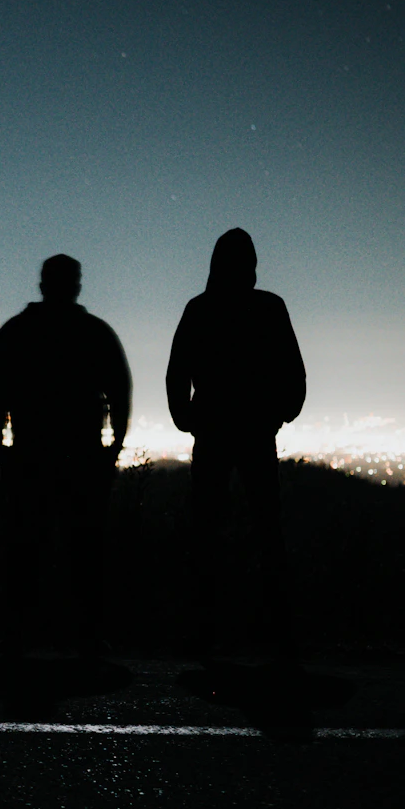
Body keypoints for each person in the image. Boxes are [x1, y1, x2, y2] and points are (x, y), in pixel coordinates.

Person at [166, 228, 307, 659]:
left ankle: (203, 630)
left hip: (213, 431)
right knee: (267, 531)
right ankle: (278, 634)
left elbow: (177, 373)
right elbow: (294, 373)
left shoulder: (200, 308)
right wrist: (279, 415)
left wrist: (187, 419)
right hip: (253, 432)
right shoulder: (269, 307)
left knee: (207, 530)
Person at [0, 254, 131, 654]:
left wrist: (0, 445)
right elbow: (118, 390)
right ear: (76, 285)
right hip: (80, 455)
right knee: (83, 547)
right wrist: (113, 446)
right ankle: (84, 634)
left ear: (41, 283)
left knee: (26, 546)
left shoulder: (17, 331)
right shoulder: (94, 332)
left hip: (31, 455)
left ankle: (23, 632)